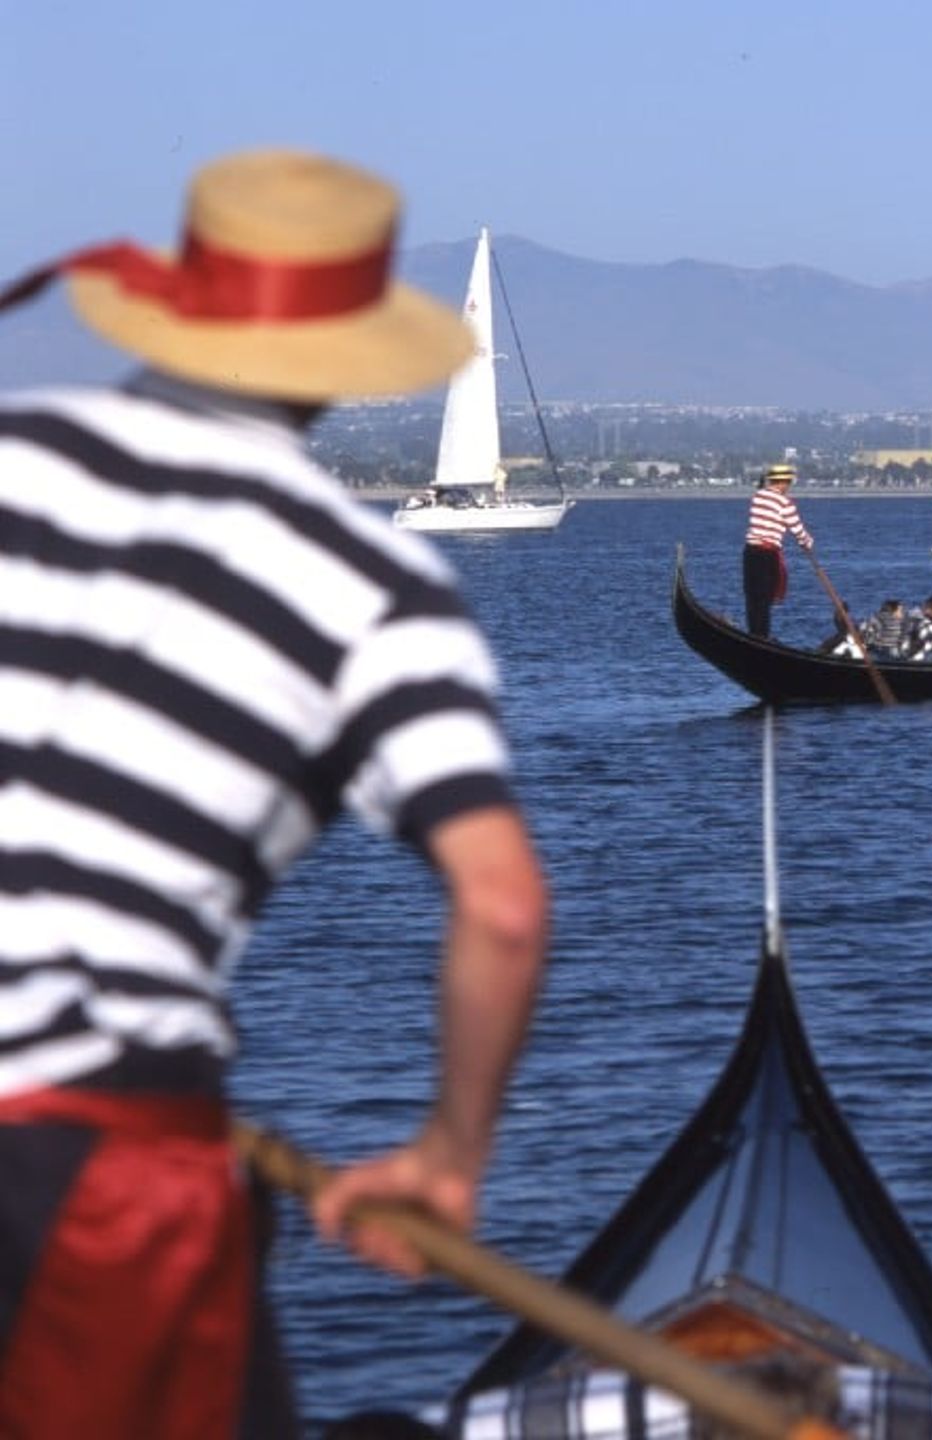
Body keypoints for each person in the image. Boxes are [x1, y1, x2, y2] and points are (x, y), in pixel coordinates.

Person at [0, 149, 549, 1438]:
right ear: (349, 356)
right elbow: (504, 907)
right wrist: (449, 1155)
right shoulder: (374, 588)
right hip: (92, 1162)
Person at [742, 462, 813, 637]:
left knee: (753, 596)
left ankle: (755, 633)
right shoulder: (785, 503)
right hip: (767, 554)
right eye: (788, 482)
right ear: (782, 482)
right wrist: (807, 542)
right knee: (764, 598)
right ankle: (761, 636)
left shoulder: (758, 496)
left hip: (750, 552)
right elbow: (797, 529)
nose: (789, 486)